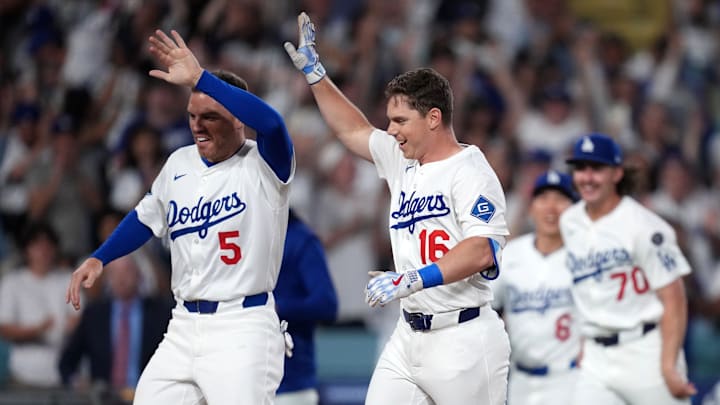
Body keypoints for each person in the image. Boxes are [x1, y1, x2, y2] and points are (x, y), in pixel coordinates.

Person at [285, 12, 511, 405]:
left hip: (464, 338)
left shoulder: (471, 171)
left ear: (434, 118)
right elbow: (352, 129)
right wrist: (316, 74)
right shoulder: (401, 158)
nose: (391, 130)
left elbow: (482, 249)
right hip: (407, 336)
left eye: (400, 120)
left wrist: (412, 279)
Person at [66, 29, 294, 404]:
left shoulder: (265, 163)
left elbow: (272, 124)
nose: (197, 125)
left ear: (238, 118)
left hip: (243, 327)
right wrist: (100, 257)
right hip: (183, 325)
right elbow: (145, 217)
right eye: (191, 115)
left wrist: (201, 77)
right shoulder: (178, 164)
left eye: (210, 116)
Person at [559, 133, 696, 404]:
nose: (587, 177)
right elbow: (588, 289)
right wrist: (584, 343)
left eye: (597, 168)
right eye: (581, 169)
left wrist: (668, 365)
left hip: (645, 350)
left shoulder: (646, 227)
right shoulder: (569, 221)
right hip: (596, 359)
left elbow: (675, 300)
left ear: (617, 173)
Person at [491, 170, 580, 405]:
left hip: (571, 380)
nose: (551, 207)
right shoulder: (510, 255)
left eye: (560, 199)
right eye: (543, 198)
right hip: (520, 381)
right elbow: (487, 309)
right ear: (531, 207)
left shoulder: (584, 258)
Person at [59, 255, 173, 402]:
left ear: (139, 275)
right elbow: (66, 363)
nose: (121, 279)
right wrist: (78, 383)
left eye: (127, 271)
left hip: (148, 397)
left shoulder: (161, 313)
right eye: (114, 273)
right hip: (103, 398)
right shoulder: (94, 314)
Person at [0, 222, 79, 388]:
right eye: (37, 245)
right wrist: (37, 330)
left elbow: (80, 319)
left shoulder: (68, 279)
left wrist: (72, 327)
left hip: (64, 370)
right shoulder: (12, 282)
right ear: (26, 250)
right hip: (24, 372)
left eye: (48, 245)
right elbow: (4, 328)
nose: (43, 251)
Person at [275, 209, 338, 405]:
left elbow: (327, 304)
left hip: (291, 383)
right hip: (242, 373)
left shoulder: (299, 238)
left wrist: (276, 308)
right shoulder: (244, 235)